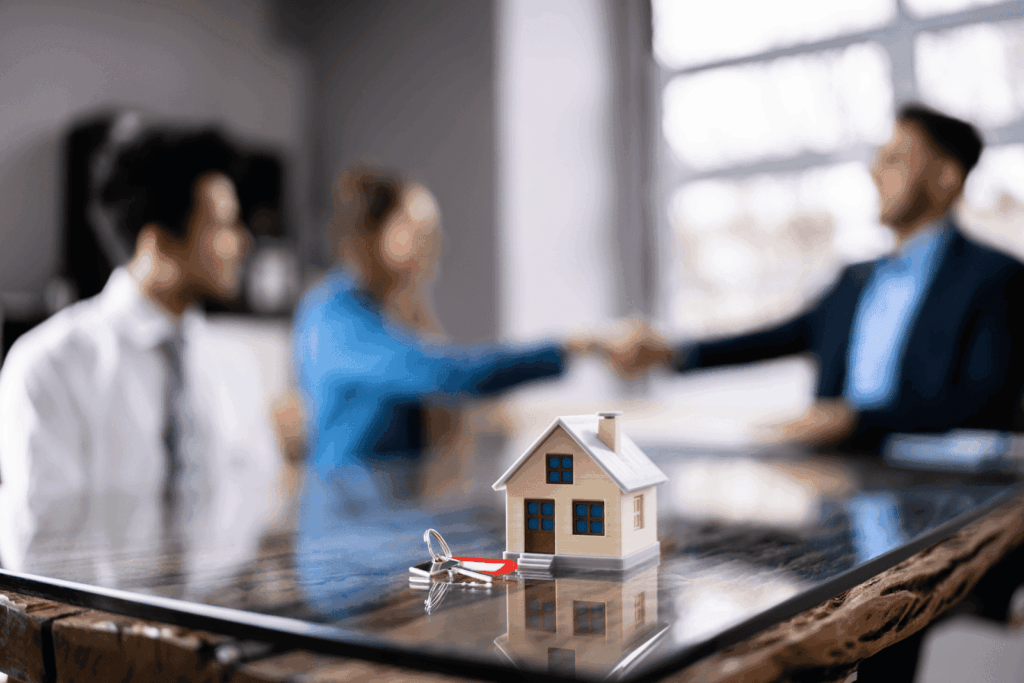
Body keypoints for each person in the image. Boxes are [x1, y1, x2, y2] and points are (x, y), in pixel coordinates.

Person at [621, 104, 1024, 450]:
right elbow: (778, 336)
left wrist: (854, 420)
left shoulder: (997, 278)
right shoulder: (856, 280)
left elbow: (984, 404)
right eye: (878, 158)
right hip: (837, 483)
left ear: (946, 177)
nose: (874, 172)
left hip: (947, 496)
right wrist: (671, 353)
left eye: (896, 159)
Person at [0, 128, 281, 570]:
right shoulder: (49, 365)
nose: (243, 242)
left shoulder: (235, 363)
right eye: (225, 225)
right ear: (159, 244)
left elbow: (257, 498)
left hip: (223, 613)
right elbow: (43, 554)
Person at [293, 165, 612, 511]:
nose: (435, 245)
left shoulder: (391, 315)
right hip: (346, 521)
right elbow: (455, 374)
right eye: (421, 231)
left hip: (389, 512)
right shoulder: (334, 317)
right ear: (379, 233)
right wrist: (577, 345)